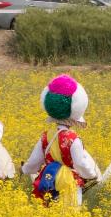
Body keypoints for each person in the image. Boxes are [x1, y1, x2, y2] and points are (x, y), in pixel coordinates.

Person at [21, 74, 101, 207]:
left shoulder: (45, 136)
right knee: (69, 215)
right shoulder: (73, 139)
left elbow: (34, 162)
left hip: (48, 181)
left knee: (48, 214)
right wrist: (92, 174)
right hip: (68, 182)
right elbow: (80, 164)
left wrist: (24, 169)